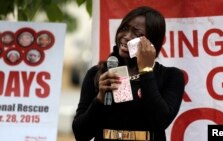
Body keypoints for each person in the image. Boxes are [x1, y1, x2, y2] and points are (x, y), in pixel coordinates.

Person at [72, 6, 185, 141]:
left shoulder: (171, 76)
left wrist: (146, 70)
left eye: (137, 34)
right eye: (125, 29)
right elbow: (81, 134)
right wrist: (100, 99)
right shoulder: (98, 74)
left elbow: (160, 121)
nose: (126, 37)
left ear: (152, 43)